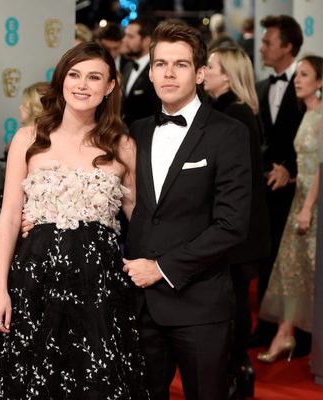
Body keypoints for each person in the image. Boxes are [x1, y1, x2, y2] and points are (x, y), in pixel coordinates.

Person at [0, 41, 149, 399]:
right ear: (61, 81)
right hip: (34, 282)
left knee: (97, 382)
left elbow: (141, 221)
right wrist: (0, 290)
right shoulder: (29, 138)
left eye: (94, 77)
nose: (82, 85)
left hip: (100, 288)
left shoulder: (123, 146)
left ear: (110, 86)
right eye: (74, 75)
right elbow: (9, 217)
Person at [123, 22, 252, 400]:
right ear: (150, 71)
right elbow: (126, 205)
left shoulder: (228, 133)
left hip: (199, 303)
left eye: (180, 64)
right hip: (141, 304)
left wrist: (161, 268)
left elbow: (231, 224)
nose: (167, 73)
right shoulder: (139, 130)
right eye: (160, 63)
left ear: (199, 73)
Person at [203, 45, 270, 399]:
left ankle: (238, 368)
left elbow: (235, 183)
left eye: (210, 66)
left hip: (239, 230)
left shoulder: (237, 114)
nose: (204, 70)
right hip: (237, 227)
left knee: (236, 302)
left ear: (227, 74)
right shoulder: (227, 110)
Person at [257, 55, 322, 363]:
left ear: (320, 82)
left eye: (305, 75)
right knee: (293, 269)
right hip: (302, 197)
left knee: (311, 271)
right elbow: (307, 165)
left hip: (313, 203)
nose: (298, 79)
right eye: (298, 75)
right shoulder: (307, 113)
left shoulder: (322, 116)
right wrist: (290, 175)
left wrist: (308, 207)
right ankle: (285, 335)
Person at [251, 14, 306, 350]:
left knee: (295, 264)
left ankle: (300, 332)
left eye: (268, 42)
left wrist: (289, 168)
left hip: (301, 190)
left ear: (287, 47)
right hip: (267, 188)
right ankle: (268, 327)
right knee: (269, 259)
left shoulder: (310, 80)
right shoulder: (260, 86)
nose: (262, 47)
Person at [121, 17, 161, 127]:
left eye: (130, 36)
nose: (124, 40)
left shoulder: (157, 70)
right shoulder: (128, 67)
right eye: (125, 35)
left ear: (146, 40)